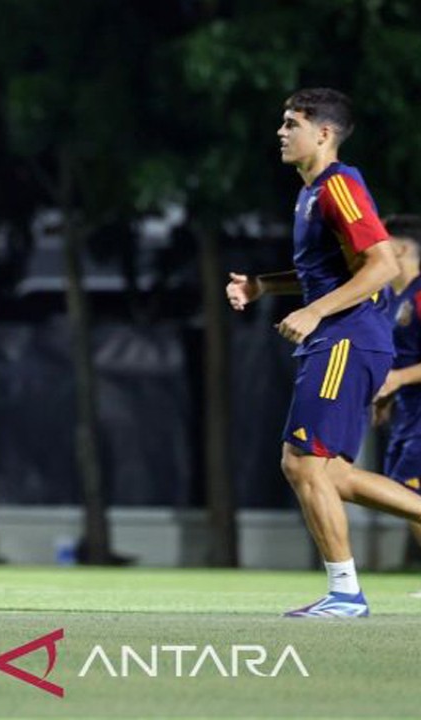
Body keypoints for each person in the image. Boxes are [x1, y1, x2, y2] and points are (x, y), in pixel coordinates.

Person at [226, 88, 421, 617]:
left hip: (347, 338)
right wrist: (264, 287)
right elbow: (326, 273)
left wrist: (314, 314)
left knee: (302, 461)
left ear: (324, 133)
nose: (281, 132)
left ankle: (345, 594)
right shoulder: (310, 193)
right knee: (326, 471)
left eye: (292, 123)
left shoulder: (340, 185)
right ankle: (344, 593)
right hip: (340, 338)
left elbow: (381, 264)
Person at [370, 215, 421, 558]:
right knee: (403, 491)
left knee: (408, 489)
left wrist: (398, 379)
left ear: (400, 248)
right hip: (409, 410)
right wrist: (385, 398)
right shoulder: (387, 298)